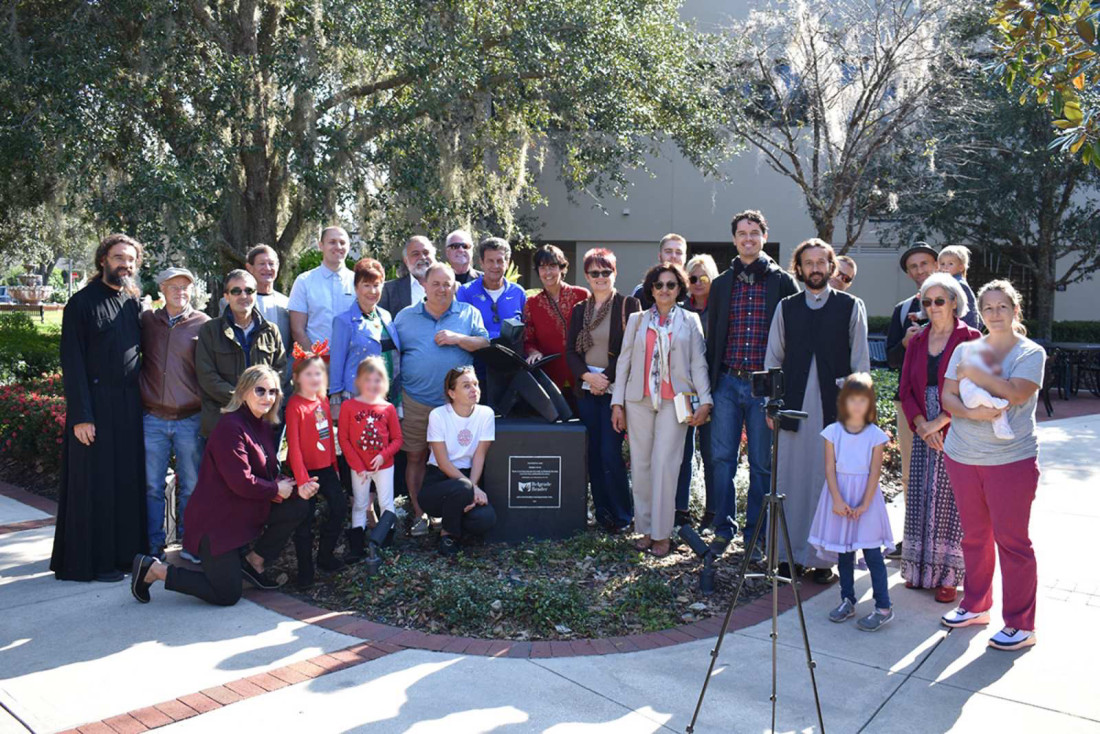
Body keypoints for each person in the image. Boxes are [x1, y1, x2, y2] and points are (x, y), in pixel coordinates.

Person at [130, 366, 314, 606]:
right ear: (244, 391)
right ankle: (155, 570)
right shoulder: (231, 427)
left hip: (243, 512)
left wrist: (285, 484)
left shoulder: (262, 425)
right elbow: (241, 481)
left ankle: (253, 562)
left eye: (272, 392)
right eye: (260, 390)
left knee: (298, 504)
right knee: (227, 594)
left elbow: (264, 472)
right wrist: (275, 489)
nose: (267, 397)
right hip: (218, 523)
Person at [940, 280, 1045, 651]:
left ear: (1016, 310)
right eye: (988, 307)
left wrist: (976, 373)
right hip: (962, 456)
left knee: (1013, 542)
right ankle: (975, 605)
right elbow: (947, 395)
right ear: (979, 313)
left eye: (1003, 306)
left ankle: (1021, 624)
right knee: (974, 537)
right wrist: (971, 412)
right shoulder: (966, 349)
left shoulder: (1030, 352)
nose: (995, 313)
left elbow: (1016, 391)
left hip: (1010, 461)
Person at [765, 238, 870, 584]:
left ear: (831, 267)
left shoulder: (851, 306)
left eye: (820, 262)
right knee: (789, 480)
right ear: (799, 268)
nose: (814, 268)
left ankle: (824, 559)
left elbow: (860, 364)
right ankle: (786, 557)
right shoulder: (787, 307)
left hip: (835, 411)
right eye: (808, 262)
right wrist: (772, 403)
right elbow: (773, 360)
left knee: (829, 484)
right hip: (792, 409)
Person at [52, 234, 147, 583]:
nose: (126, 264)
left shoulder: (132, 302)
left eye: (131, 259)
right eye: (119, 257)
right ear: (103, 260)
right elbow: (72, 363)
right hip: (94, 407)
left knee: (124, 481)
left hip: (128, 406)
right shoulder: (80, 304)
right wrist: (81, 416)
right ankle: (92, 563)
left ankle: (123, 557)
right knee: (96, 485)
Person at [705, 210, 799, 555]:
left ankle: (755, 535)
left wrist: (783, 390)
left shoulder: (782, 282)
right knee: (722, 460)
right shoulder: (721, 285)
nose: (748, 239)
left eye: (754, 233)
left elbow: (793, 340)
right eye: (742, 233)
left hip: (764, 386)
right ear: (734, 239)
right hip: (728, 381)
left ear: (764, 236)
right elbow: (713, 339)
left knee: (761, 463)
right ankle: (722, 527)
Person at [611, 263, 712, 557]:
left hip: (674, 401)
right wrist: (617, 402)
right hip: (638, 400)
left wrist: (705, 400)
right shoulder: (637, 320)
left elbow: (698, 362)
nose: (664, 290)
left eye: (670, 285)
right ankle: (644, 529)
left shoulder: (690, 320)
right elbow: (624, 362)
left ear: (679, 289)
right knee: (641, 465)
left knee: (666, 465)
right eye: (659, 285)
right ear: (651, 289)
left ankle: (662, 534)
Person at [899, 273, 981, 603]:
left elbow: (975, 390)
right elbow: (905, 389)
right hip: (922, 425)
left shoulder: (971, 338)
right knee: (920, 495)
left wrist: (940, 423)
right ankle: (919, 571)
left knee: (951, 502)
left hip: (956, 426)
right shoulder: (918, 340)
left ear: (954, 302)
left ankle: (948, 576)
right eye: (927, 302)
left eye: (939, 301)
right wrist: (921, 424)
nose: (933, 307)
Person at [393, 263, 490, 536]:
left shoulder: (468, 313)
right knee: (416, 456)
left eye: (447, 283)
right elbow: (391, 355)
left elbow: (484, 344)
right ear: (424, 285)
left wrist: (459, 339)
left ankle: (454, 511)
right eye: (435, 283)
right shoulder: (405, 317)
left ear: (455, 286)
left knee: (455, 458)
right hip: (416, 400)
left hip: (455, 407)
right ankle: (419, 513)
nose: (442, 289)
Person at [810, 373, 895, 631]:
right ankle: (847, 599)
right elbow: (829, 469)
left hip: (866, 500)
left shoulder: (876, 436)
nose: (857, 405)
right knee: (844, 553)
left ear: (870, 403)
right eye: (852, 399)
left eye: (862, 400)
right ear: (843, 402)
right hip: (839, 498)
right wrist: (837, 499)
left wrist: (864, 505)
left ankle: (883, 606)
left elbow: (874, 473)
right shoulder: (832, 432)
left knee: (872, 554)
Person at [565, 249, 641, 533]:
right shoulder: (579, 310)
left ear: (615, 273)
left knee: (611, 452)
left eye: (606, 272)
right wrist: (587, 377)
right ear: (586, 276)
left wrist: (605, 379)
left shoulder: (628, 305)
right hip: (585, 390)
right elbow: (570, 351)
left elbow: (629, 350)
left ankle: (622, 515)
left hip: (615, 390)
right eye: (595, 273)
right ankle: (603, 514)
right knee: (593, 454)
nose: (600, 278)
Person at [140, 267, 210, 563]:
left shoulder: (203, 324)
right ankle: (153, 544)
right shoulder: (147, 321)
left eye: (185, 286)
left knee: (192, 486)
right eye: (173, 286)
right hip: (153, 417)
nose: (180, 291)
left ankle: (189, 543)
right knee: (152, 485)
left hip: (189, 419)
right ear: (162, 290)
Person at [884, 242, 939, 558]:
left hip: (947, 403)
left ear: (937, 264)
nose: (920, 271)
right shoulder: (903, 310)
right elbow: (890, 358)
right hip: (909, 402)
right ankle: (912, 538)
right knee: (910, 473)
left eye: (925, 264)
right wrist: (905, 343)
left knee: (947, 473)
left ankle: (944, 539)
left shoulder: (955, 301)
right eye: (913, 267)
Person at [196, 270, 287, 439]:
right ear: (226, 296)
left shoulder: (271, 330)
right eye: (236, 291)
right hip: (222, 419)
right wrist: (243, 399)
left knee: (264, 465)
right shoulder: (210, 330)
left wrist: (260, 399)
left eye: (249, 290)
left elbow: (280, 370)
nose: (243, 295)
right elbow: (206, 376)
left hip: (262, 420)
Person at [286, 346, 348, 587]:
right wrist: (302, 480)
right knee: (304, 520)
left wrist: (333, 466)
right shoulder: (295, 405)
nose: (315, 378)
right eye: (309, 374)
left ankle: (325, 556)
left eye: (319, 373)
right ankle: (305, 570)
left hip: (325, 469)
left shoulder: (322, 400)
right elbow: (294, 446)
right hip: (304, 472)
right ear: (297, 378)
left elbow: (326, 438)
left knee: (339, 507)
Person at [421, 366, 498, 555]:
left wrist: (474, 486)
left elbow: (480, 455)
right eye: (466, 386)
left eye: (476, 384)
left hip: (469, 475)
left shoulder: (486, 414)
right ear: (451, 393)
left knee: (485, 519)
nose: (474, 389)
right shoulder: (438, 415)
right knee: (462, 488)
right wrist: (472, 489)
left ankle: (456, 520)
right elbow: (443, 462)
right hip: (439, 480)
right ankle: (447, 536)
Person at [338, 357, 403, 560]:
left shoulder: (388, 408)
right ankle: (357, 548)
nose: (372, 385)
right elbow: (344, 439)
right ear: (358, 381)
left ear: (383, 382)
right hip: (360, 468)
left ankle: (385, 544)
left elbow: (398, 439)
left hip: (384, 466)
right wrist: (358, 466)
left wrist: (384, 456)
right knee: (360, 503)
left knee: (386, 503)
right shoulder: (348, 407)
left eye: (377, 380)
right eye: (368, 379)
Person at [677, 254, 719, 528]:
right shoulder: (679, 310)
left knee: (713, 453)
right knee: (682, 453)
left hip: (715, 389)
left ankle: (714, 513)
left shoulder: (721, 308)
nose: (698, 283)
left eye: (704, 277)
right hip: (683, 392)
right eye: (693, 278)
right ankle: (680, 511)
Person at [329, 257, 401, 405]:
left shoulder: (386, 316)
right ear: (356, 288)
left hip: (389, 394)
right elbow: (337, 362)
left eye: (377, 285)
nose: (372, 291)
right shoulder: (343, 321)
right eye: (366, 285)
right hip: (358, 396)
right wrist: (335, 400)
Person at [522, 244, 589, 400]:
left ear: (561, 268)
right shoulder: (532, 303)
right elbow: (528, 339)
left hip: (581, 373)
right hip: (550, 375)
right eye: (542, 267)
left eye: (552, 266)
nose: (548, 272)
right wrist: (534, 352)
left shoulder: (581, 295)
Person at [288, 226, 355, 351]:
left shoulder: (357, 282)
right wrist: (316, 358)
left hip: (351, 361)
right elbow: (297, 330)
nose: (338, 247)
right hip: (316, 362)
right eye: (332, 242)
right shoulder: (304, 281)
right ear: (321, 245)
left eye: (342, 242)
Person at [457, 236, 526, 340]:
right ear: (481, 263)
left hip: (512, 354)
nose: (495, 266)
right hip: (479, 354)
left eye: (500, 261)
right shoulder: (466, 292)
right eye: (490, 261)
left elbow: (528, 330)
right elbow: (461, 329)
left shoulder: (518, 293)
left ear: (507, 263)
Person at [243, 245, 292, 380]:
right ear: (250, 268)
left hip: (281, 381)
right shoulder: (235, 303)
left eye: (271, 264)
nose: (267, 268)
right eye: (261, 264)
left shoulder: (287, 304)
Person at [380, 236, 435, 316]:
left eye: (426, 253)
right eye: (416, 254)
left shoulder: (449, 286)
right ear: (406, 260)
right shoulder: (389, 290)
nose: (422, 257)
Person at [632, 233, 688, 309]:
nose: (673, 256)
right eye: (668, 251)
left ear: (685, 257)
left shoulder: (695, 291)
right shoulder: (642, 292)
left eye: (678, 252)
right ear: (660, 256)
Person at [937, 245, 980, 329]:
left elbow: (970, 313)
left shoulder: (958, 284)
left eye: (950, 264)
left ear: (961, 267)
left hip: (965, 328)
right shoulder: (945, 283)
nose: (945, 267)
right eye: (942, 264)